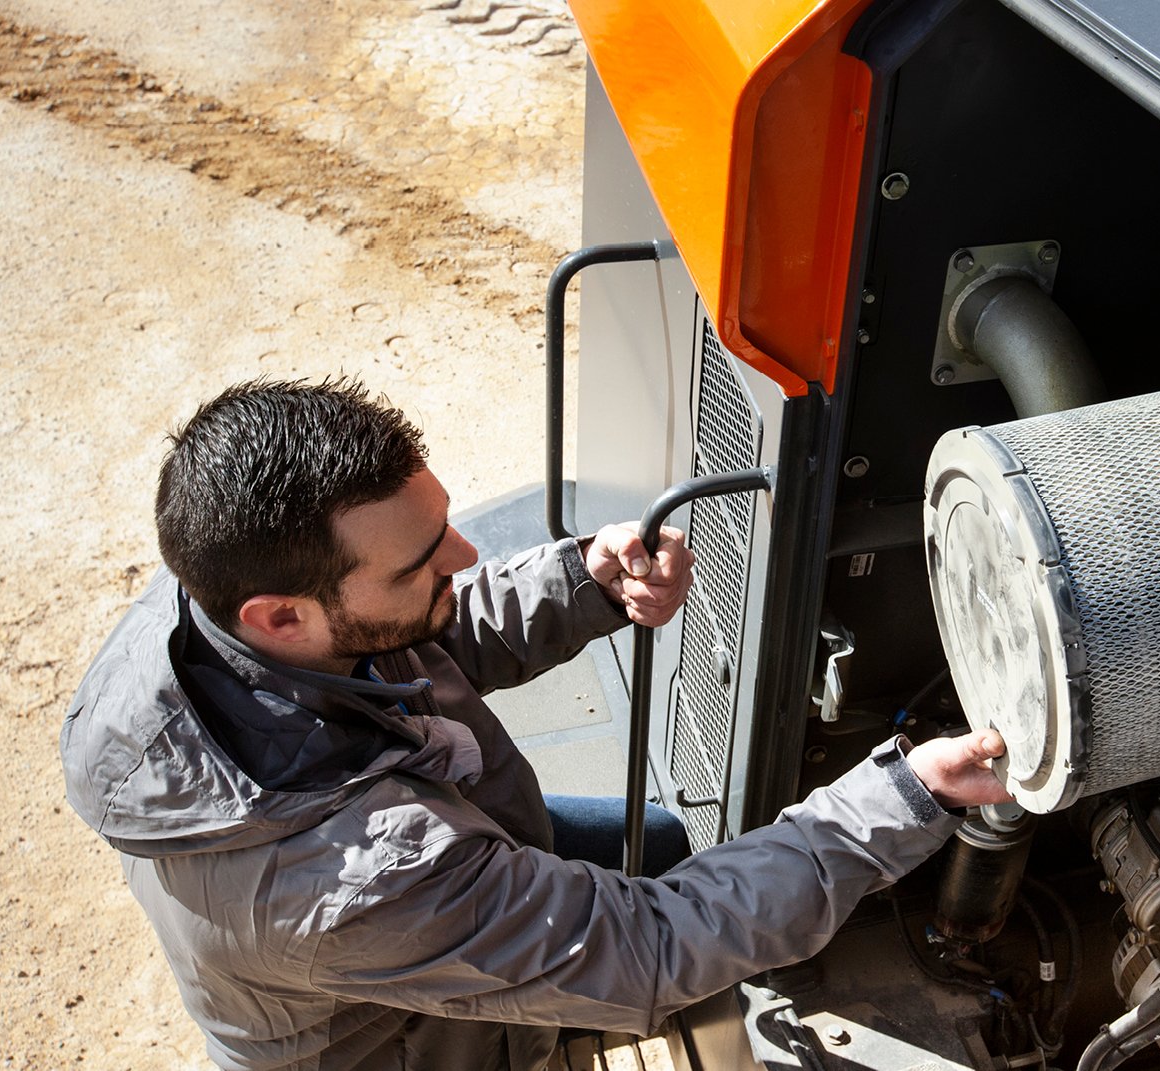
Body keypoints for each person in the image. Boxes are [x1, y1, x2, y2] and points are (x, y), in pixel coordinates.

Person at [60, 377, 1010, 1071]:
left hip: (394, 899)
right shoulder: (355, 883)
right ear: (280, 616)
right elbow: (651, 946)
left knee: (669, 839)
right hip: (399, 1038)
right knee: (662, 898)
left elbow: (419, 635)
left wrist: (579, 583)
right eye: (423, 559)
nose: (470, 554)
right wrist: (903, 795)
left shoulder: (203, 611)